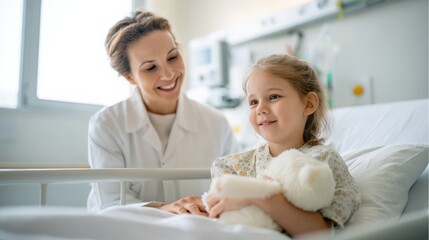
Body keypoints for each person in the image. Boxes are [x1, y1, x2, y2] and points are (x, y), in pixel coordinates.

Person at [87, 10, 240, 215]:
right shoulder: (106, 125)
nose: (168, 74)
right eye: (150, 68)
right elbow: (110, 202)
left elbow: (235, 189)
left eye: (173, 57)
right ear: (129, 77)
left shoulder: (217, 124)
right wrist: (164, 209)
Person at [205, 54, 360, 237]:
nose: (261, 109)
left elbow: (321, 234)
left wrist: (262, 198)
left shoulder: (322, 163)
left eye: (273, 97)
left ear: (309, 104)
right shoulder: (233, 167)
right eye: (253, 102)